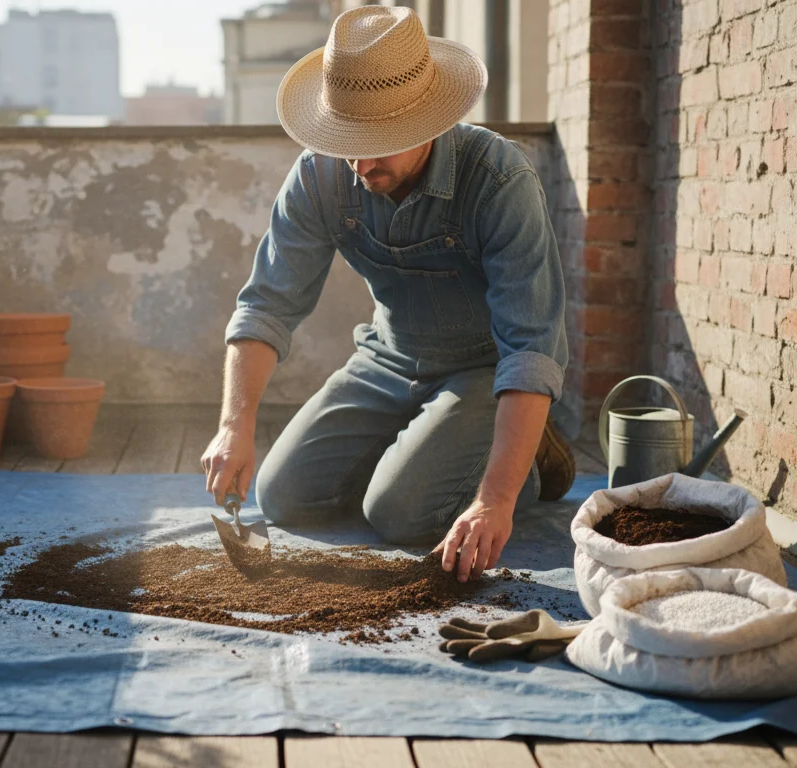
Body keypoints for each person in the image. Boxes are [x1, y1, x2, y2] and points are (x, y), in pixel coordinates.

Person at [202, 5, 575, 584]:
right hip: (387, 360)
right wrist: (234, 425)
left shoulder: (500, 180)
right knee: (283, 494)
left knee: (399, 515)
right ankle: (428, 456)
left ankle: (521, 461)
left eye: (380, 142)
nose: (360, 163)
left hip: (484, 372)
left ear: (430, 122)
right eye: (347, 139)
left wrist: (495, 500)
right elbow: (266, 304)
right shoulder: (320, 176)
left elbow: (530, 349)